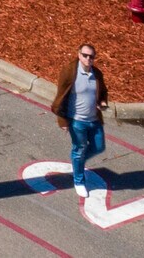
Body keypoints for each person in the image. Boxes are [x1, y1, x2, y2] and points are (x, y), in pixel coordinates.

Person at [52, 43, 110, 196]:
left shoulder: (97, 74)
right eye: (85, 55)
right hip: (76, 120)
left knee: (99, 146)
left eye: (91, 56)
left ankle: (77, 162)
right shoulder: (69, 72)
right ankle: (79, 181)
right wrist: (63, 121)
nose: (88, 58)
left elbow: (103, 92)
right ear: (78, 55)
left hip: (94, 119)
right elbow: (60, 97)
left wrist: (103, 103)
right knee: (79, 149)